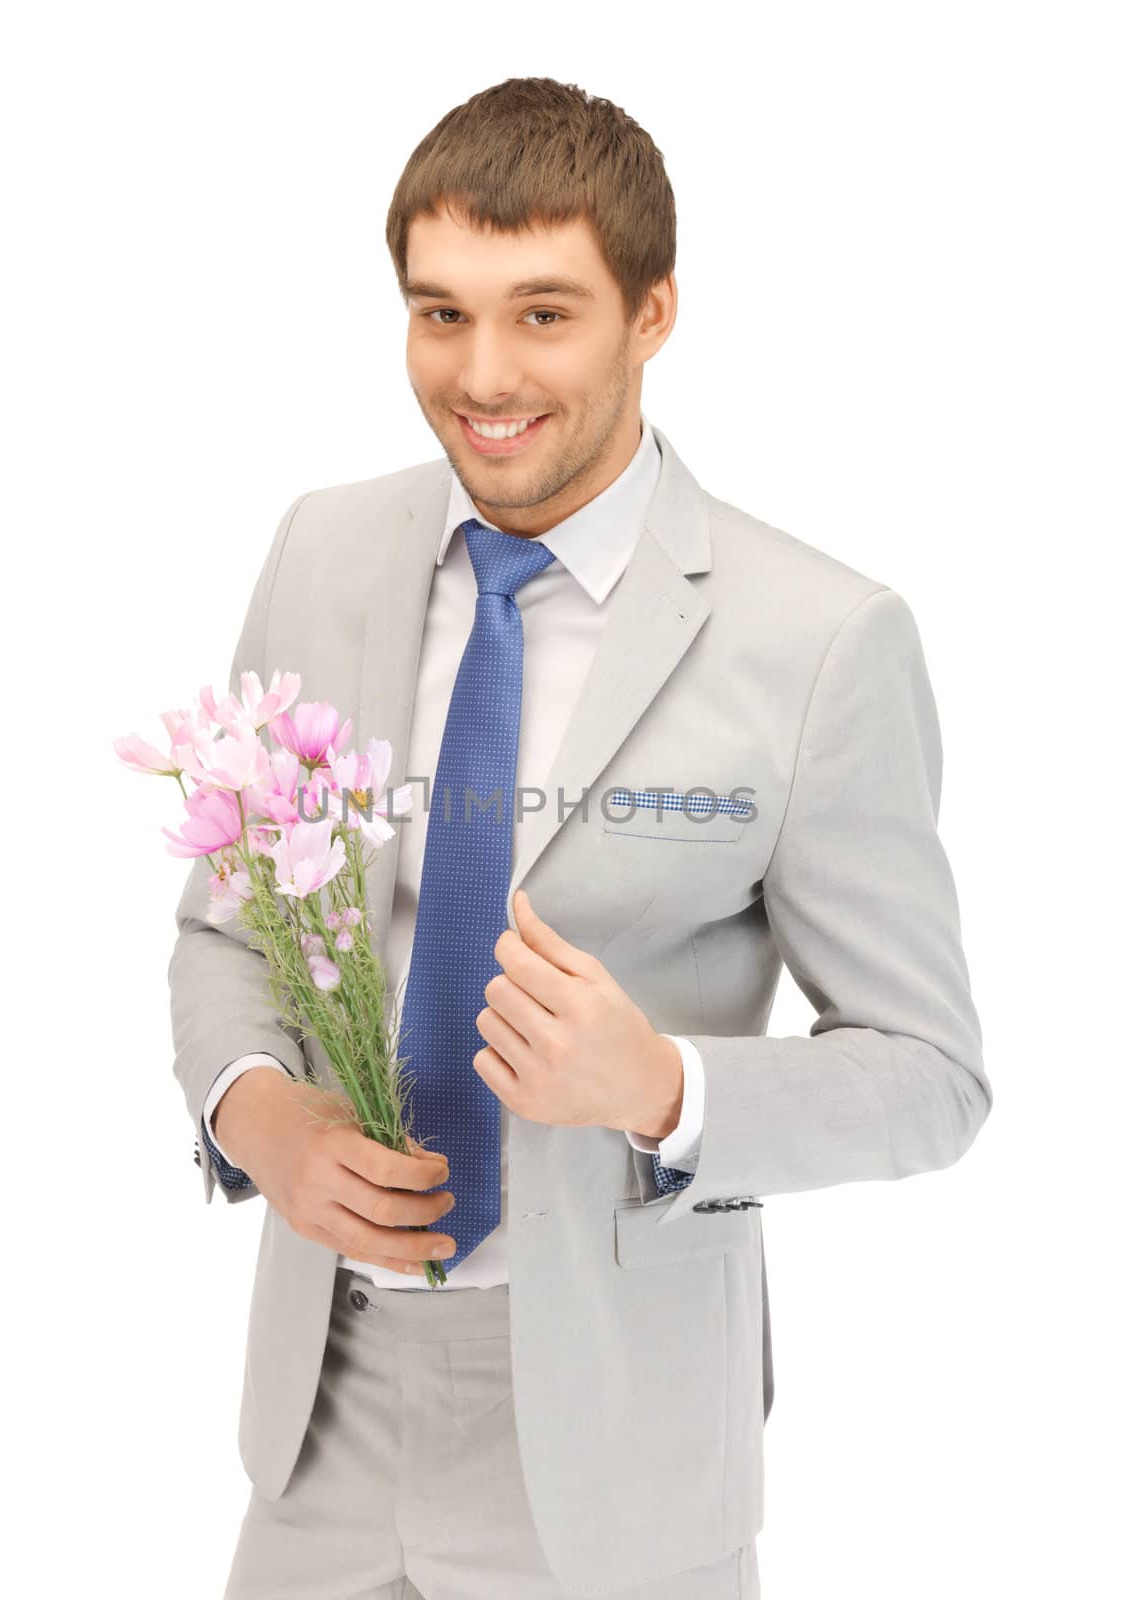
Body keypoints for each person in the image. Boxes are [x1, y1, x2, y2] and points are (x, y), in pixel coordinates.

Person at [168, 75, 991, 1600]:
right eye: (440, 313)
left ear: (653, 313)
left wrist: (668, 1087)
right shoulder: (323, 548)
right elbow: (229, 921)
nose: (482, 374)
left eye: (544, 313)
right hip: (319, 1417)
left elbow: (934, 1078)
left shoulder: (818, 640)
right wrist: (257, 1116)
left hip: (616, 1448)